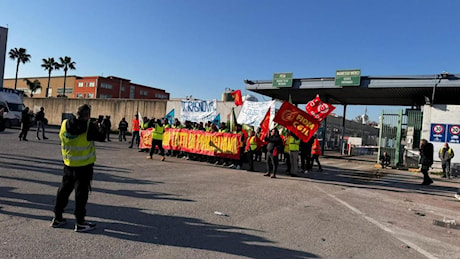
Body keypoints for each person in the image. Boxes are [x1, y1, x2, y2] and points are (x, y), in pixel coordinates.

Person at [51, 104, 106, 232]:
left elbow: (62, 137)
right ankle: (80, 222)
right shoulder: (88, 126)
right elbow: (102, 137)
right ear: (87, 115)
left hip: (69, 163)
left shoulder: (65, 124)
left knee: (63, 190)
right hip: (84, 166)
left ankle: (57, 217)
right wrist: (101, 126)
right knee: (81, 194)